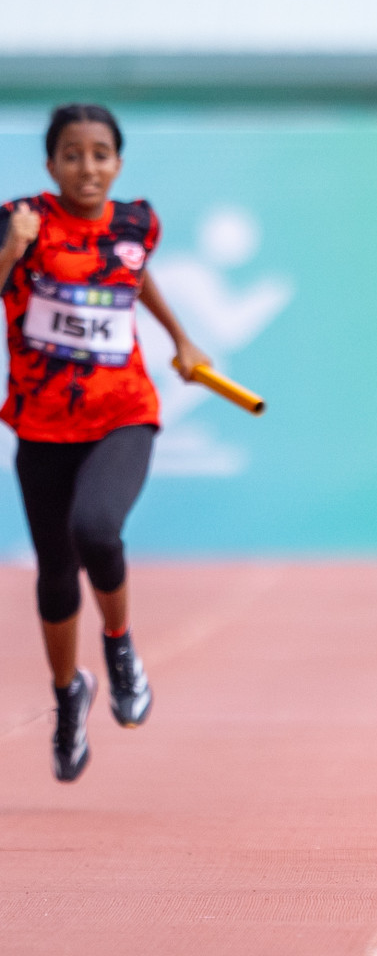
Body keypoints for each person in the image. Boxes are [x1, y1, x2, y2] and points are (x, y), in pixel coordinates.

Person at [1, 104, 211, 782]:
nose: (86, 166)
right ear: (50, 164)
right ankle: (69, 695)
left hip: (122, 411)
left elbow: (133, 271)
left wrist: (180, 338)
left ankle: (119, 648)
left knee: (96, 528)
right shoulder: (20, 220)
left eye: (99, 154)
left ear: (117, 162)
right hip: (40, 423)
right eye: (71, 154)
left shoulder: (135, 222)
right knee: (56, 577)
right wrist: (12, 246)